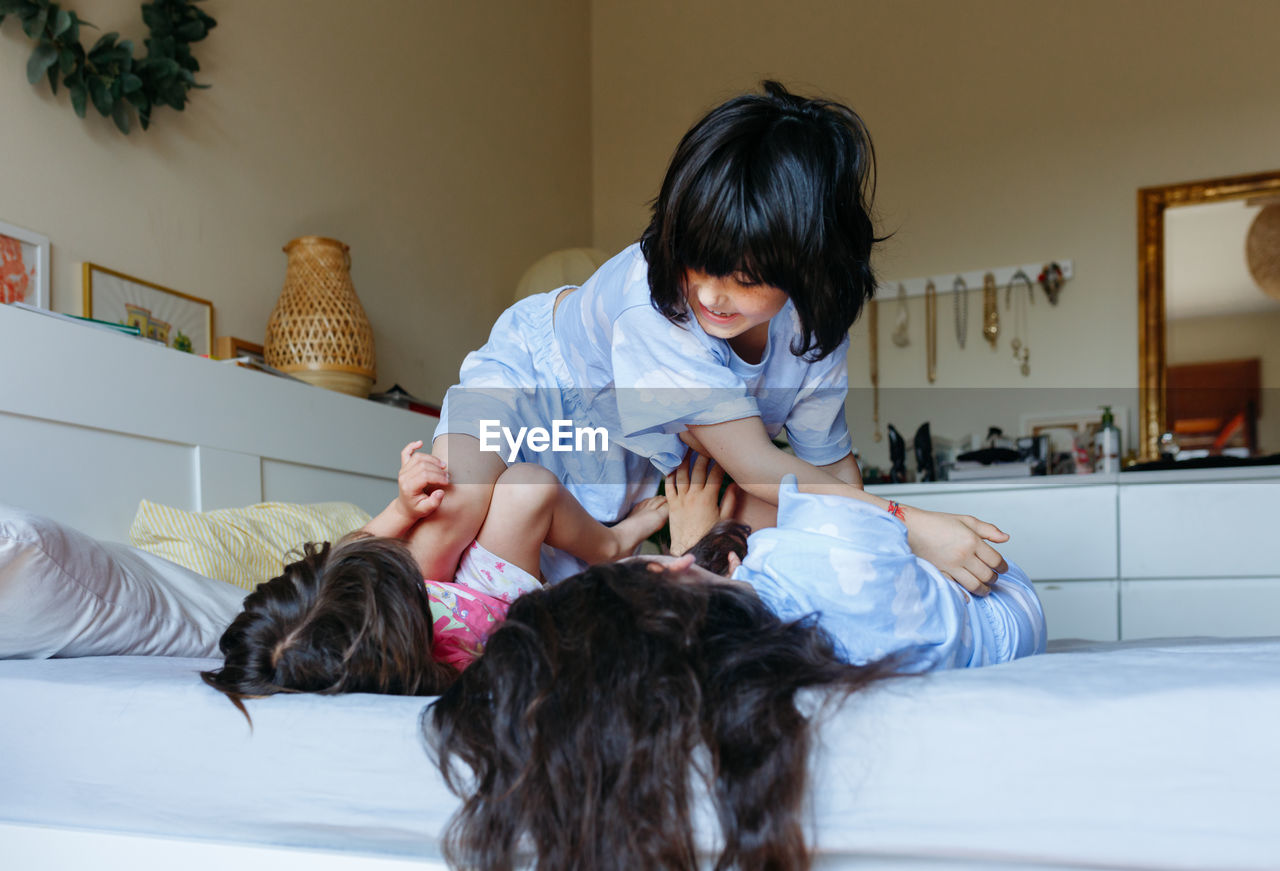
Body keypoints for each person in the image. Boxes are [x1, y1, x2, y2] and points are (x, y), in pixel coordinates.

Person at [413, 80, 1011, 597]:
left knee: (558, 583)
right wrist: (913, 523)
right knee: (455, 509)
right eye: (695, 262)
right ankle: (373, 635)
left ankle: (531, 596)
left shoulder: (811, 335)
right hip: (533, 378)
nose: (709, 296)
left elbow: (833, 482)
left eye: (745, 281)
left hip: (627, 442)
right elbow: (755, 463)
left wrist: (882, 547)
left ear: (809, 271)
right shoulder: (651, 306)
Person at [200, 441, 667, 712]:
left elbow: (353, 551)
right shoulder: (435, 668)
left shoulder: (346, 593)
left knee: (455, 464)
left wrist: (401, 508)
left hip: (425, 585)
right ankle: (611, 544)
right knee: (528, 487)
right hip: (483, 599)